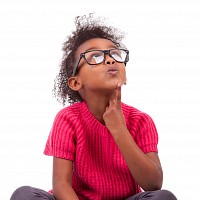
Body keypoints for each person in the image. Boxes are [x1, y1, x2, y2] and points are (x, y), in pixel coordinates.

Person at [10, 14, 177, 200]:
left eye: (114, 53)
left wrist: (119, 129)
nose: (110, 60)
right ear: (75, 82)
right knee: (24, 194)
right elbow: (60, 184)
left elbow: (153, 184)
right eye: (95, 56)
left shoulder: (141, 120)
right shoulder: (68, 119)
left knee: (163, 197)